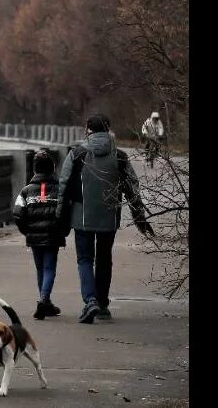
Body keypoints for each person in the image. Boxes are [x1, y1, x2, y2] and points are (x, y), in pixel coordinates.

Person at [57, 114, 155, 324]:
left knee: (84, 259)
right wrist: (140, 215)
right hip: (109, 217)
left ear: (87, 129)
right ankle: (102, 305)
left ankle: (89, 300)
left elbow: (63, 185)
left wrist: (59, 216)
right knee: (104, 260)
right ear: (108, 129)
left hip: (81, 216)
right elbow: (133, 187)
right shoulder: (119, 156)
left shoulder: (77, 154)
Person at [12, 149, 70, 319]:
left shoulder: (26, 190)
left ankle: (45, 300)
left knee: (40, 269)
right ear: (53, 168)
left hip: (34, 237)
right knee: (49, 268)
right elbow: (66, 212)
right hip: (53, 236)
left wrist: (27, 231)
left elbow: (17, 214)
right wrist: (63, 231)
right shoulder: (59, 189)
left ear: (35, 169)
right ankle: (44, 301)